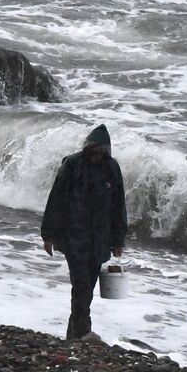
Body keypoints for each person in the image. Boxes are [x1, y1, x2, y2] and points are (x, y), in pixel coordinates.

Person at [41, 124, 127, 340]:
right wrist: (48, 235)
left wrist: (119, 240)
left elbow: (119, 206)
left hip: (100, 239)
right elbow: (56, 199)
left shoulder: (112, 168)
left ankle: (73, 334)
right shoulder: (72, 164)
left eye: (101, 152)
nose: (96, 155)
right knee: (81, 283)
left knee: (87, 286)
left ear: (107, 151)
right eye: (93, 150)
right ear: (87, 148)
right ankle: (83, 330)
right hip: (73, 236)